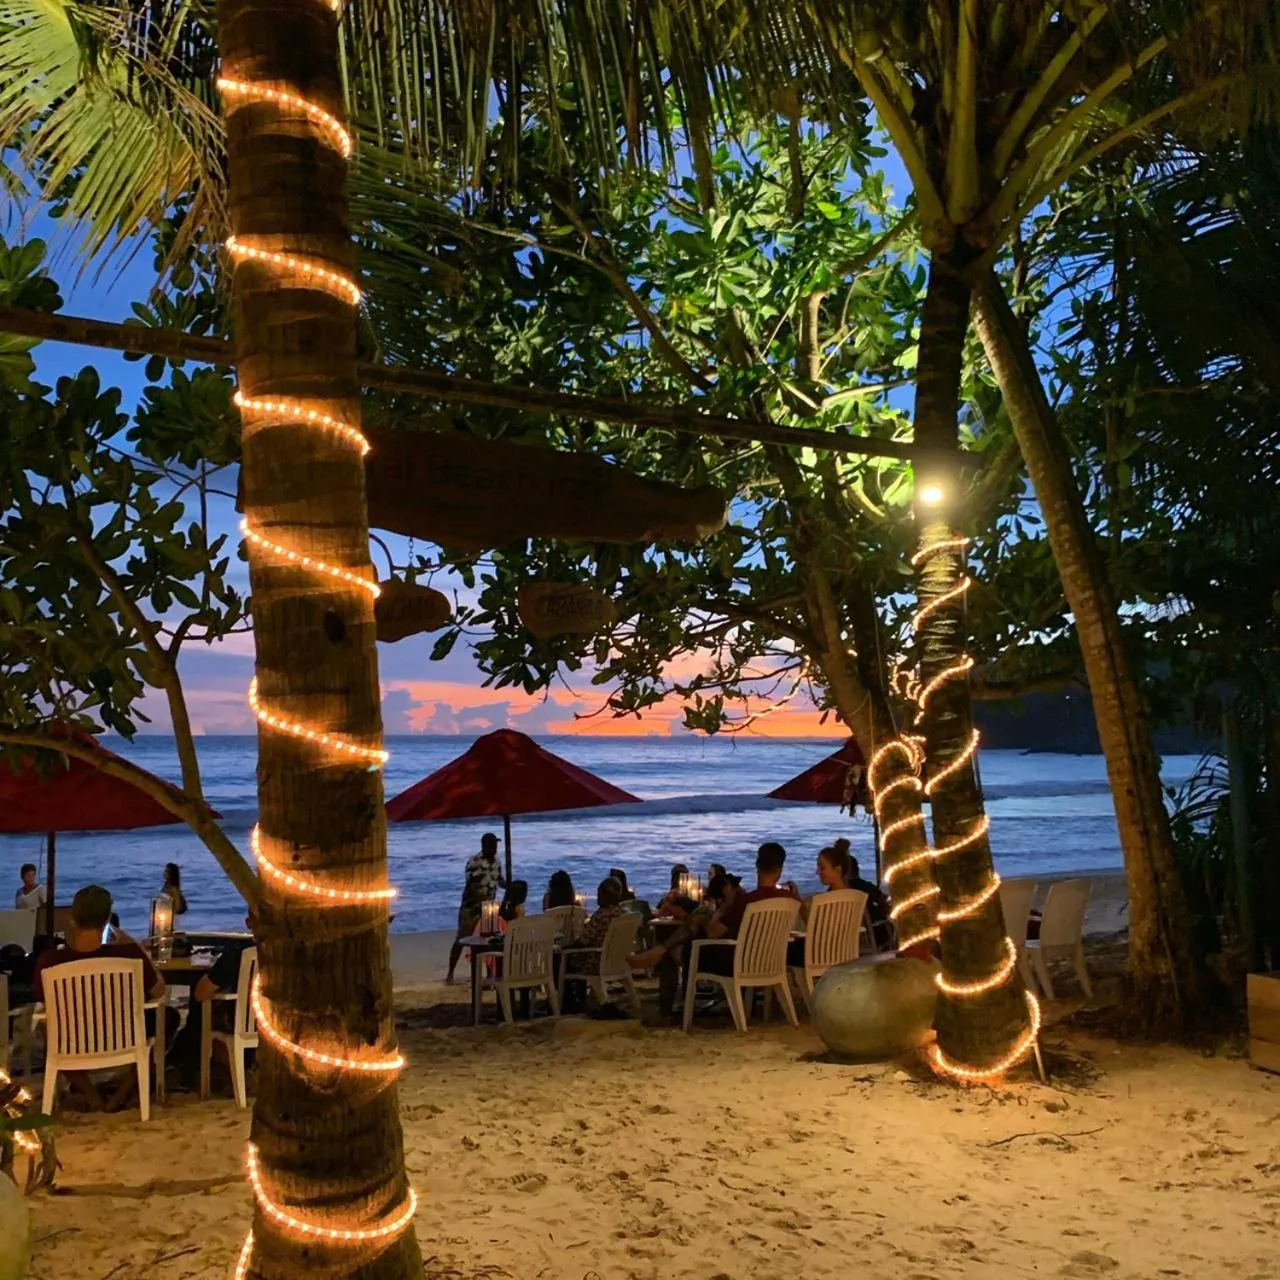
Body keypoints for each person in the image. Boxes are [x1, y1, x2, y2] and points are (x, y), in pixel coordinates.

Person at [34, 884, 179, 1045]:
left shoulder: (49, 961)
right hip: (123, 1048)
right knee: (170, 1015)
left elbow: (45, 1004)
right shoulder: (129, 955)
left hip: (70, 1053)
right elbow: (159, 991)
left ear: (72, 919)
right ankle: (143, 1066)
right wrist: (136, 947)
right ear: (108, 919)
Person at [628, 871, 737, 1018]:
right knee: (699, 919)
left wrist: (719, 911)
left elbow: (713, 933)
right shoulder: (748, 905)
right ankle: (660, 953)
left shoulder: (733, 908)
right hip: (739, 958)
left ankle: (665, 1013)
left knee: (669, 954)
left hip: (724, 962)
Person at [173, 920, 255, 1088]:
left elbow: (201, 993)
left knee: (200, 1007)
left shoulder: (239, 953)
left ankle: (190, 1067)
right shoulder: (287, 953)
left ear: (249, 922)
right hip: (269, 1024)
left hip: (238, 1023)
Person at [445, 832, 506, 984]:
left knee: (489, 939)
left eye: (496, 844)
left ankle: (489, 973)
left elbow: (499, 881)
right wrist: (479, 901)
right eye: (492, 844)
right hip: (471, 906)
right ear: (484, 845)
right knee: (462, 939)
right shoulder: (474, 862)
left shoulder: (497, 862)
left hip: (489, 907)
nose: (495, 847)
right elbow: (471, 884)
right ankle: (450, 973)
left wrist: (508, 885)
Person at [562, 877, 629, 1006]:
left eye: (600, 894)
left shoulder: (601, 915)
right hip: (617, 960)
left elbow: (583, 942)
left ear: (607, 896)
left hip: (595, 962)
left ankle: (570, 1001)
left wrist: (565, 948)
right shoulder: (622, 914)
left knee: (564, 961)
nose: (597, 897)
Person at [835, 838, 892, 950]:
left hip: (850, 939)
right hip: (877, 934)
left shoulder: (834, 893)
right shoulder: (867, 887)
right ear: (857, 869)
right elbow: (885, 903)